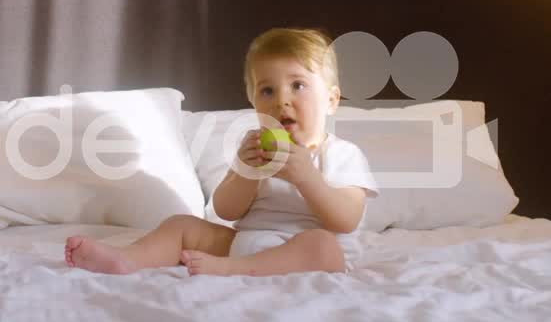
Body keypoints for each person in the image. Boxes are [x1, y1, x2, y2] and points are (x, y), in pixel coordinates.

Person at [65, 28, 378, 277]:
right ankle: (127, 259)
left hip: (307, 252)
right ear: (254, 102)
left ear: (332, 100)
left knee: (320, 244)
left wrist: (308, 178)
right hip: (246, 243)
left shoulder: (342, 154)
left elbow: (346, 219)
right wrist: (245, 172)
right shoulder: (255, 150)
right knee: (181, 226)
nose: (282, 101)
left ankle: (231, 270)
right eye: (267, 90)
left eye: (298, 86)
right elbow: (227, 211)